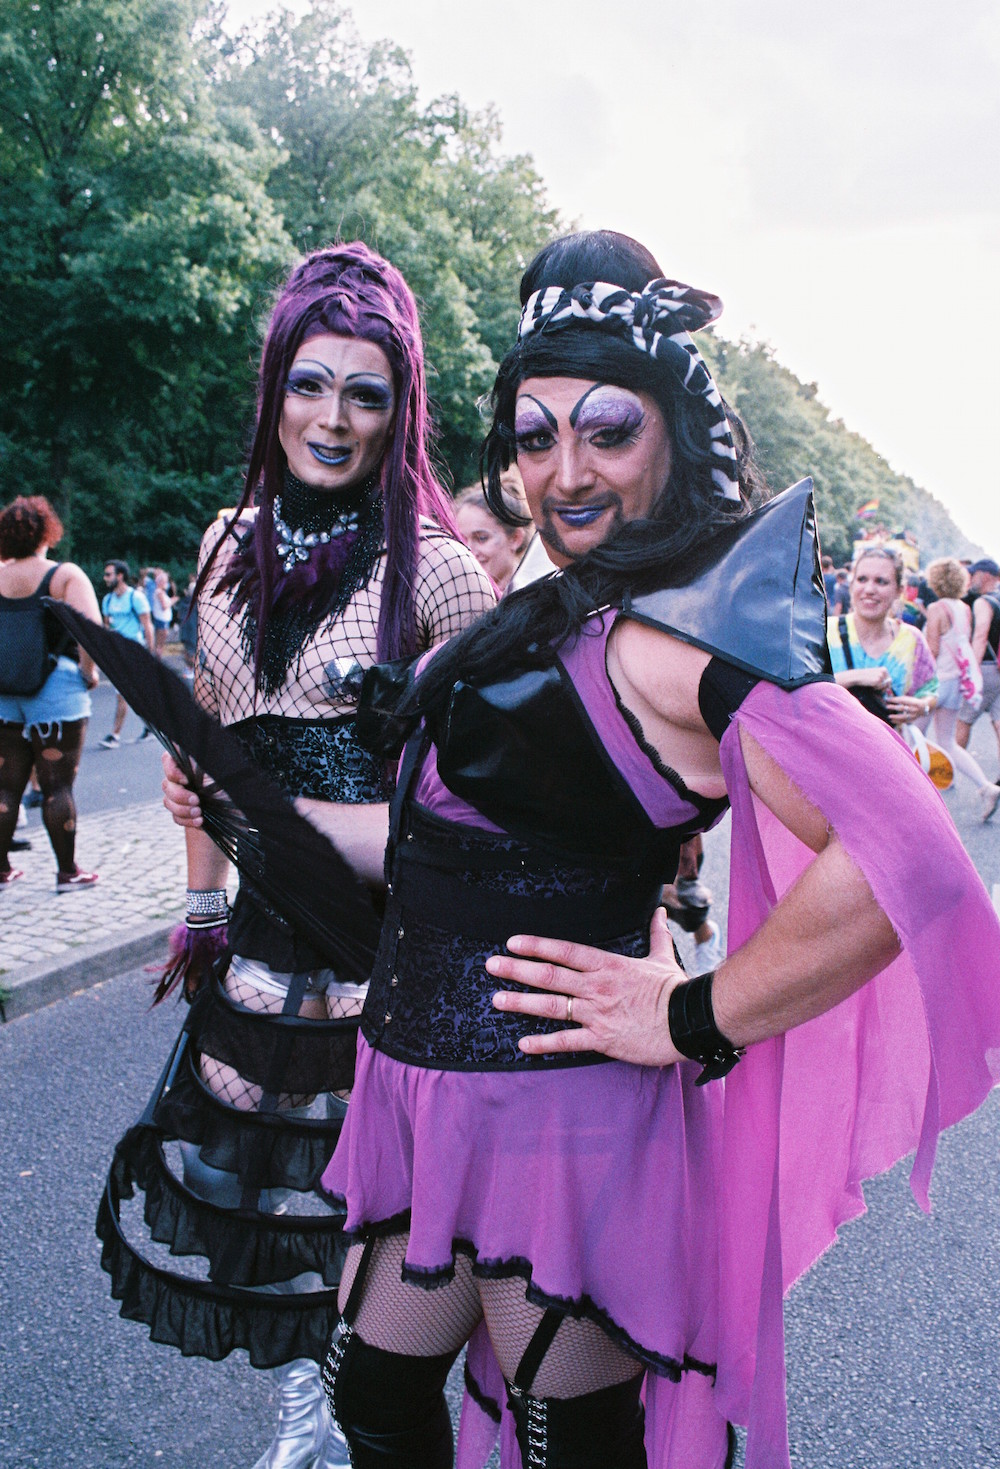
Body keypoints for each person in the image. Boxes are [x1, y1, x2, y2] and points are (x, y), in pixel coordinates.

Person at [166, 233, 1000, 1469]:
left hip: (553, 1118)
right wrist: (252, 810)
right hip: (422, 1089)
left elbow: (909, 862)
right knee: (374, 1395)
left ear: (673, 431)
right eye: (536, 433)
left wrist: (693, 1013)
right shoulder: (572, 604)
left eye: (607, 430)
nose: (566, 470)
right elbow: (441, 845)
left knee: (568, 1441)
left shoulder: (682, 641)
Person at [105, 242, 495, 1469]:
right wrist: (200, 903)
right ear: (274, 389)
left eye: (365, 393)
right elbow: (207, 748)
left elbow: (486, 793)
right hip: (260, 943)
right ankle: (303, 1399)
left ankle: (357, 1395)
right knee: (267, 1184)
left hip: (388, 946)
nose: (332, 417)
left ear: (400, 409)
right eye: (310, 384)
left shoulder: (438, 568)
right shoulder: (224, 542)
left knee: (368, 1203)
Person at [0, 496, 101, 891]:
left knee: (5, 786)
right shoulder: (63, 576)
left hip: (4, 692)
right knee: (57, 785)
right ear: (47, 533)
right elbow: (90, 632)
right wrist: (88, 674)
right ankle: (67, 872)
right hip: (57, 690)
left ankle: (1, 869)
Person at [826, 546, 938, 725]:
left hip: (887, 741)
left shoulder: (912, 640)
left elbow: (931, 690)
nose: (869, 589)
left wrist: (922, 706)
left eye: (881, 581)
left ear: (899, 590)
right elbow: (800, 692)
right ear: (852, 584)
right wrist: (855, 677)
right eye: (862, 579)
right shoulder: (825, 632)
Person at [923, 556, 998, 820]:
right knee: (948, 741)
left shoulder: (936, 608)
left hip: (935, 681)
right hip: (955, 682)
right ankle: (986, 786)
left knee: (909, 735)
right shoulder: (964, 608)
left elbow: (931, 649)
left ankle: (916, 797)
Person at [100, 560, 155, 746]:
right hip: (117, 652)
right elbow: (107, 628)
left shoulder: (135, 597)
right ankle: (151, 727)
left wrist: (150, 653)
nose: (105, 578)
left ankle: (114, 735)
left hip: (134, 650)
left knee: (122, 692)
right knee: (137, 692)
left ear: (120, 576)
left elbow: (147, 625)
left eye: (108, 574)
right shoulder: (107, 600)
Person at [455, 478, 534, 594]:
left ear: (515, 539)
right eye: (461, 540)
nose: (468, 550)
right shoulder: (456, 595)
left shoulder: (536, 595)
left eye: (482, 538)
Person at [956, 557, 1000, 762]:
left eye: (973, 575)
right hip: (998, 667)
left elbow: (981, 636)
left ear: (985, 576)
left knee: (963, 719)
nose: (971, 579)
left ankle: (952, 769)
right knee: (998, 722)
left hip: (986, 668)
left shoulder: (984, 602)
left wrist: (971, 672)